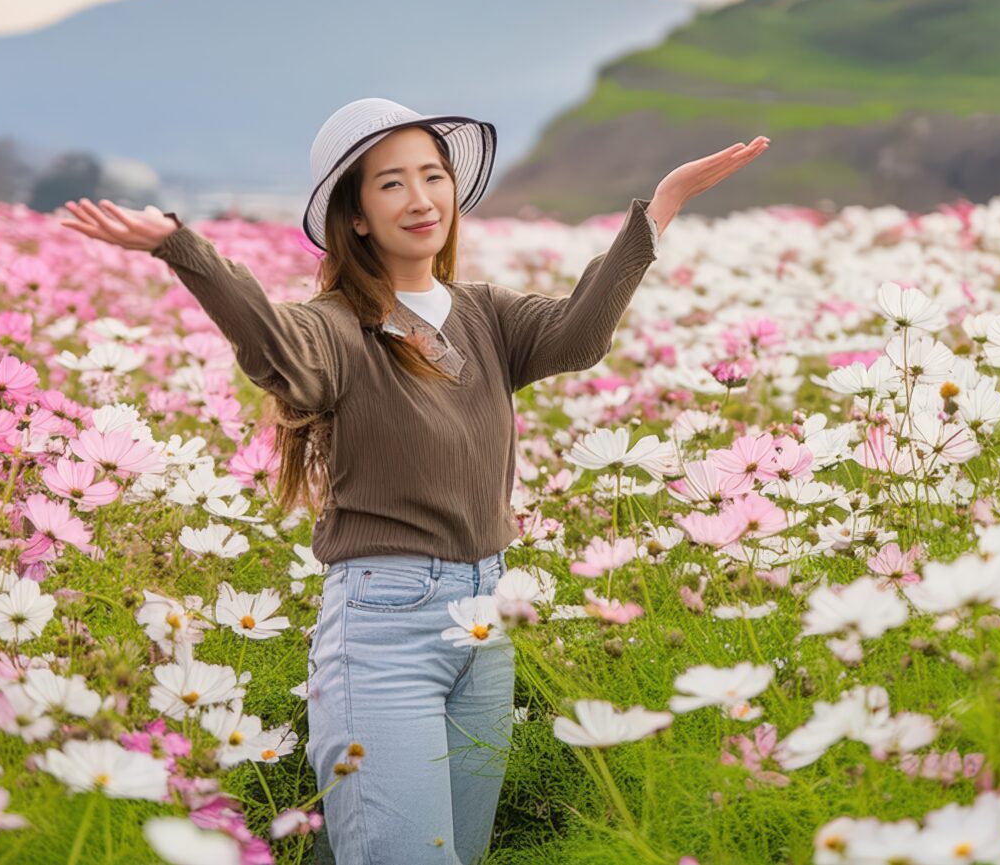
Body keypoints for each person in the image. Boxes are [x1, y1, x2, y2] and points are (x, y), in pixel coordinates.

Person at [60, 97, 768, 864]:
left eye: (433, 175)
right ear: (356, 214)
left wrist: (660, 208)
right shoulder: (334, 326)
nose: (421, 197)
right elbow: (271, 346)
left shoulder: (486, 313)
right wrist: (182, 247)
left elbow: (581, 334)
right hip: (382, 628)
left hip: (487, 622)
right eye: (391, 183)